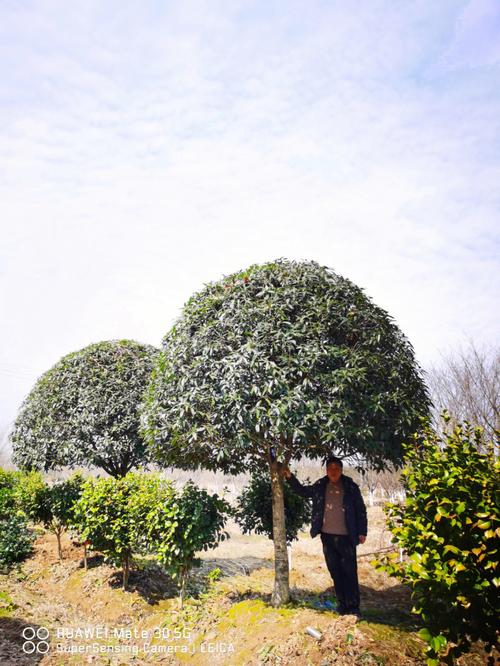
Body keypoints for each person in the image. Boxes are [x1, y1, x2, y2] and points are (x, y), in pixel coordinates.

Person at [281, 456, 367, 616]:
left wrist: (362, 531)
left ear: (341, 470)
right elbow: (303, 492)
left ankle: (354, 608)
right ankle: (342, 605)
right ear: (326, 470)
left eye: (336, 468)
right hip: (327, 537)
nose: (333, 471)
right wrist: (289, 477)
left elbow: (360, 509)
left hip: (347, 537)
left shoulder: (350, 486)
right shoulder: (321, 485)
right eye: (330, 468)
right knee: (335, 572)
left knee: (349, 572)